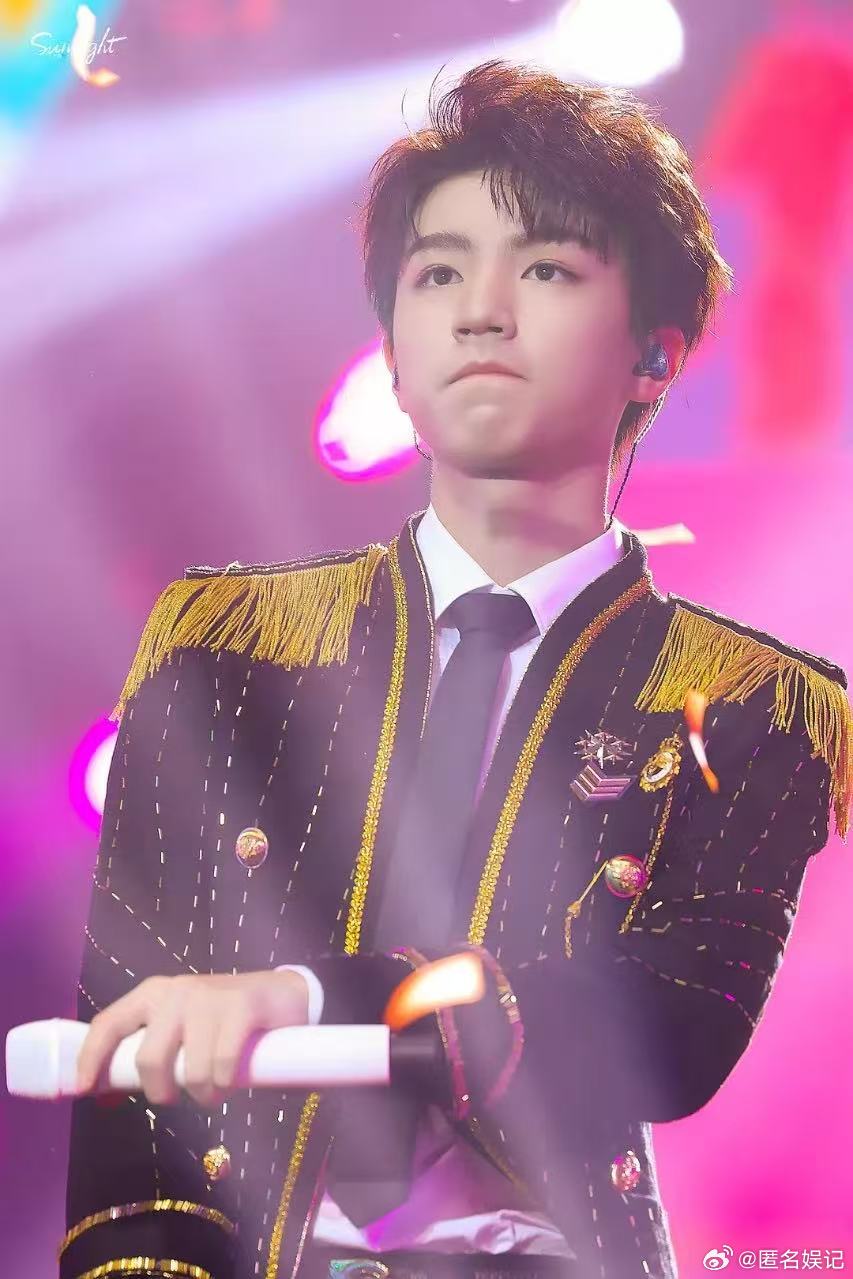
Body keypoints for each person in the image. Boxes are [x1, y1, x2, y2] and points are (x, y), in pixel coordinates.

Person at [60, 59, 851, 1279]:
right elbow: (129, 1058)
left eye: (544, 269)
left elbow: (675, 1019)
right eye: (437, 273)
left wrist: (313, 998)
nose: (481, 310)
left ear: (654, 354)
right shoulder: (224, 648)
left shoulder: (751, 703)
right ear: (391, 351)